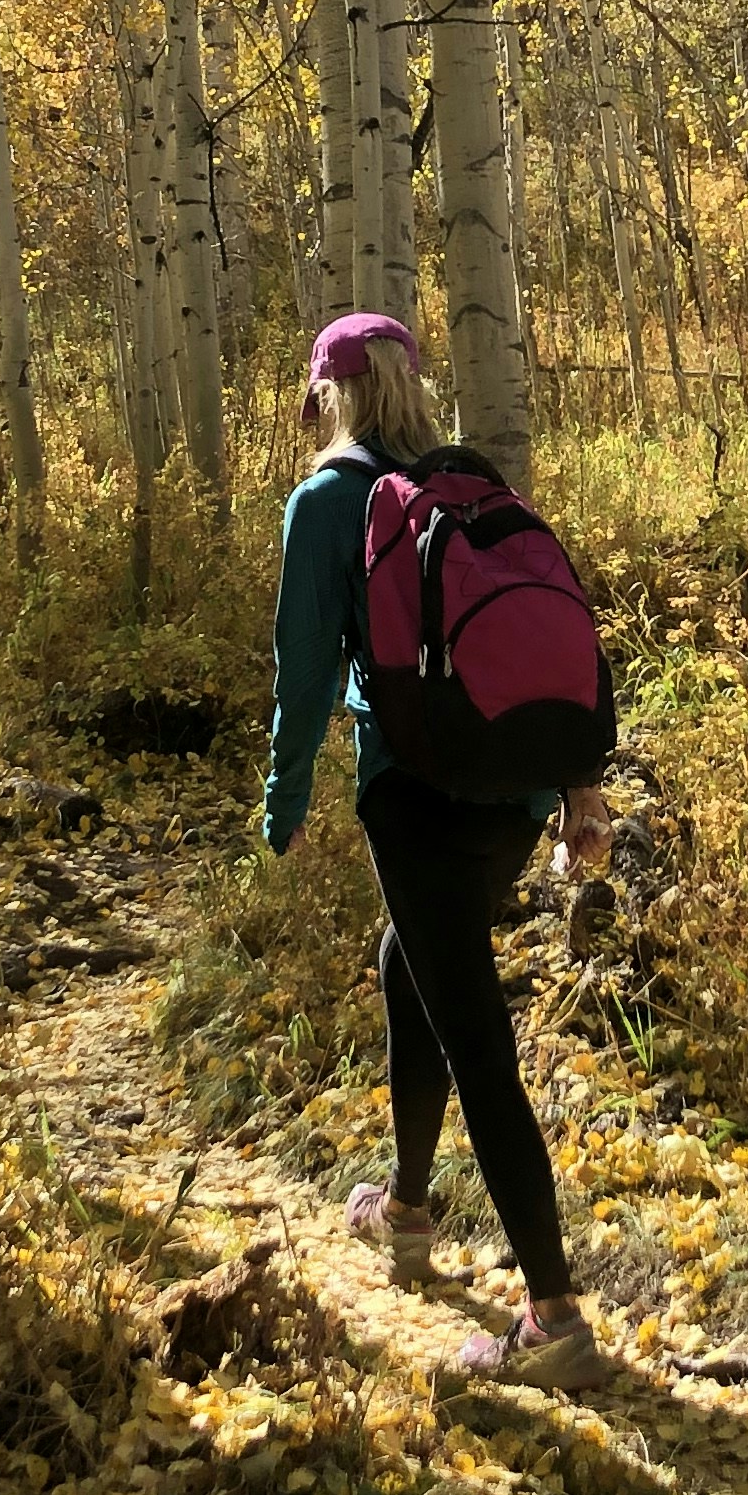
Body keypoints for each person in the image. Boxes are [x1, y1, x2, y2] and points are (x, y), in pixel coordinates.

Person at [263, 311, 611, 1389]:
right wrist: (576, 786)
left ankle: (554, 1319)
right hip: (511, 793)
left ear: (333, 395)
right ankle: (409, 1209)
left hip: (415, 793)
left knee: (472, 1028)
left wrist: (283, 800)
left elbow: (307, 671)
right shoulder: (471, 486)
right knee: (405, 962)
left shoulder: (330, 500)